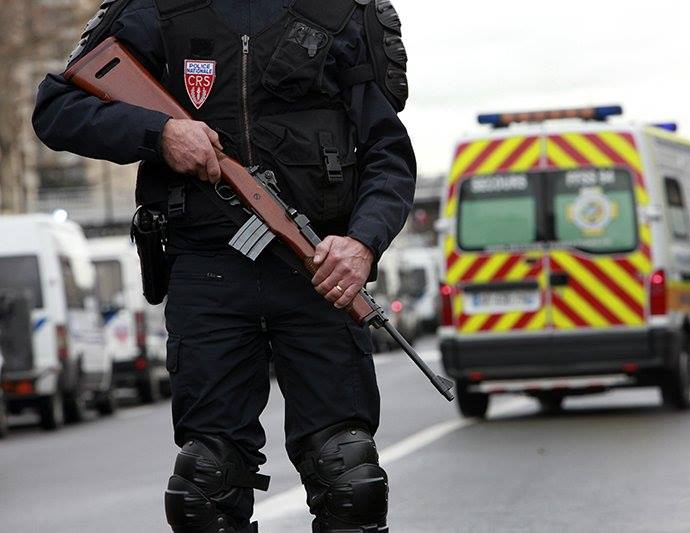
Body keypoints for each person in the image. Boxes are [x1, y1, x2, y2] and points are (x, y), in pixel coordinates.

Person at [32, 0, 415, 531]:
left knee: (348, 477)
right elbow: (56, 109)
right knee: (204, 486)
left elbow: (388, 156)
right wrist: (160, 133)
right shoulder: (157, 11)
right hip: (207, 272)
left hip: (319, 273)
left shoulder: (341, 12)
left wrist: (362, 244)